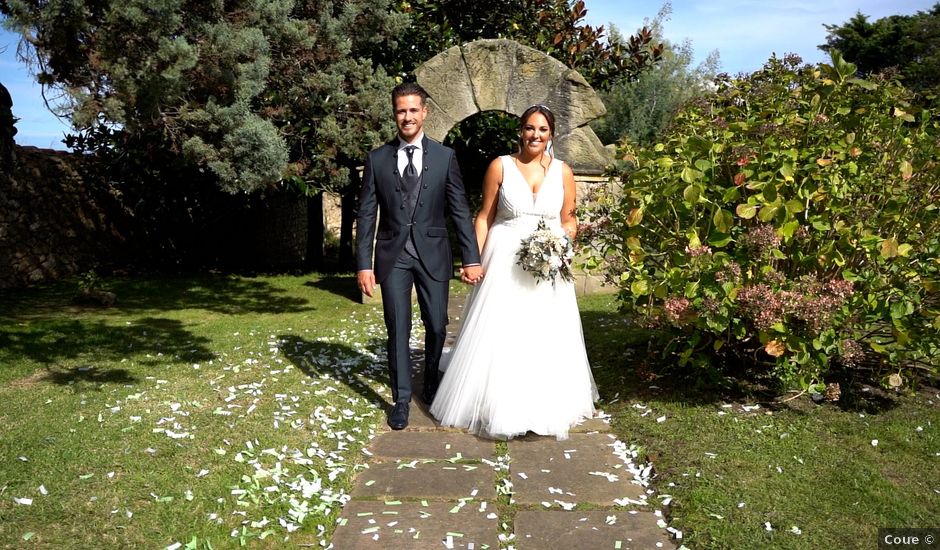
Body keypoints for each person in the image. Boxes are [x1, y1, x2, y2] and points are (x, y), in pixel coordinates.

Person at [430, 104, 598, 441]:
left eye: (543, 130)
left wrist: (561, 241)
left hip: (548, 262)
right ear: (520, 131)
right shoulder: (500, 166)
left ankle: (542, 406)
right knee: (502, 330)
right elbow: (483, 217)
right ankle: (495, 404)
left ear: (551, 134)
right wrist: (472, 259)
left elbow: (569, 217)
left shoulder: (563, 171)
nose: (535, 135)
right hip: (504, 257)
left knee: (543, 331)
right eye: (529, 128)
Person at [356, 82, 483, 431]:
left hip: (434, 254)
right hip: (392, 256)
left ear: (424, 112)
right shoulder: (377, 158)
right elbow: (367, 214)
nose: (407, 117)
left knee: (438, 324)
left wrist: (471, 257)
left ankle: (430, 380)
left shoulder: (445, 157)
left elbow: (459, 211)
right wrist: (364, 264)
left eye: (413, 110)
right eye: (401, 110)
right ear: (394, 114)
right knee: (397, 325)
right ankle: (400, 398)